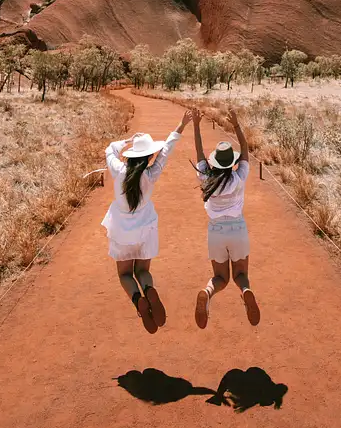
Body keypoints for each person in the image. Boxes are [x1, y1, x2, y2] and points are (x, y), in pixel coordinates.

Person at [102, 110, 192, 334]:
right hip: (145, 229)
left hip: (121, 231)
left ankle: (137, 300)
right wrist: (181, 124)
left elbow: (109, 150)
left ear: (132, 155)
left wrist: (128, 140)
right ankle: (148, 288)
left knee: (124, 274)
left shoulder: (119, 170)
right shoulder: (151, 174)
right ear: (149, 156)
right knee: (142, 270)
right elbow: (167, 150)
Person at [192, 106, 260, 328]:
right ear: (231, 162)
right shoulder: (238, 177)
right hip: (237, 229)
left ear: (214, 162)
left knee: (220, 278)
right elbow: (246, 152)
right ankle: (246, 291)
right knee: (241, 274)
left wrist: (195, 125)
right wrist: (237, 125)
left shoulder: (206, 179)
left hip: (216, 232)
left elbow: (199, 153)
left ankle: (207, 292)